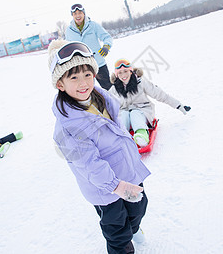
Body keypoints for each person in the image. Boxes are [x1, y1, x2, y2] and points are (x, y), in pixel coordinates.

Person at [48, 39, 150, 254]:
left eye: (87, 74)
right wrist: (117, 186)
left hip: (127, 169)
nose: (83, 82)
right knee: (117, 229)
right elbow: (90, 166)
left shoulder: (100, 96)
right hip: (105, 187)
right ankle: (123, 245)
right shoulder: (69, 127)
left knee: (139, 208)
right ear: (60, 84)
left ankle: (134, 229)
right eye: (73, 77)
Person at [109, 59, 191, 147]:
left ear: (131, 71)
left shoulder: (140, 83)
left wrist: (178, 105)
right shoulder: (114, 90)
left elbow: (160, 94)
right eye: (120, 73)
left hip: (142, 112)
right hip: (125, 117)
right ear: (116, 75)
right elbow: (106, 106)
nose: (123, 75)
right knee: (123, 114)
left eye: (125, 71)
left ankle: (142, 136)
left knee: (134, 113)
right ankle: (122, 138)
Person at [65, 3, 113, 90]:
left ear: (84, 13)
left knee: (108, 88)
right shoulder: (69, 31)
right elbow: (68, 47)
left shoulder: (93, 25)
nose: (78, 15)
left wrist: (106, 46)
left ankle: (116, 103)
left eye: (80, 13)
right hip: (82, 67)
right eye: (75, 14)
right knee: (87, 90)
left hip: (98, 63)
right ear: (72, 15)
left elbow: (107, 37)